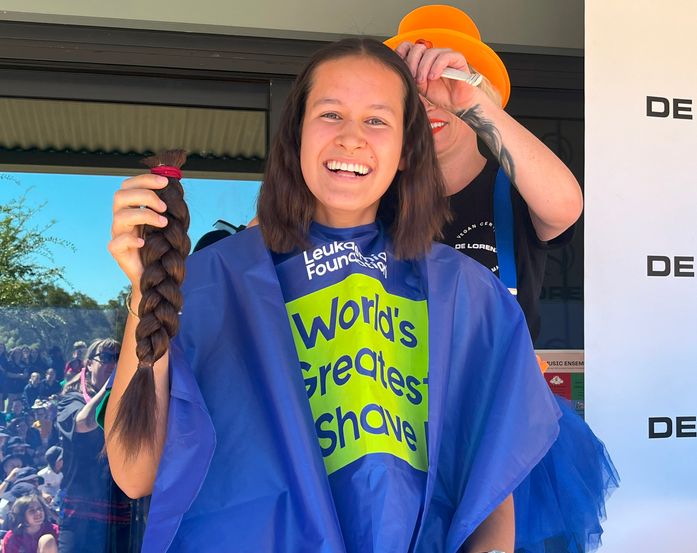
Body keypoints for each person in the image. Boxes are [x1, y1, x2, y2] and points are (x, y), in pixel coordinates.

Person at [104, 38, 563, 552]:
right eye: (330, 114)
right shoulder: (213, 280)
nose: (351, 137)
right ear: (296, 134)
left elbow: (491, 498)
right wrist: (145, 290)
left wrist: (475, 102)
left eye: (377, 120)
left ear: (407, 149)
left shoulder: (468, 294)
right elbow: (135, 473)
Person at [386, 6, 618, 553]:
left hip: (507, 428)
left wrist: (471, 101)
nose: (431, 101)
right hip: (398, 430)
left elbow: (565, 205)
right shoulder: (375, 199)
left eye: (446, 81)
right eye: (411, 92)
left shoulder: (515, 187)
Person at [56, 339, 131, 552]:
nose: (113, 364)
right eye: (106, 358)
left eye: (119, 359)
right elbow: (83, 423)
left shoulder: (127, 403)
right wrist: (111, 386)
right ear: (88, 364)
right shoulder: (71, 399)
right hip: (79, 515)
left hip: (117, 513)